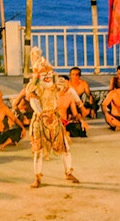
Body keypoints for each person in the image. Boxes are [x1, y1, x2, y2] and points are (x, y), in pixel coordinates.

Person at [23, 48, 80, 188]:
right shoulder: (34, 88)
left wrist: (78, 101)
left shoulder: (55, 84)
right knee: (38, 151)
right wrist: (43, 114)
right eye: (44, 74)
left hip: (55, 119)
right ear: (38, 76)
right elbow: (33, 102)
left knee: (65, 147)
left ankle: (68, 171)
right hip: (40, 122)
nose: (47, 76)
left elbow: (70, 89)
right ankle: (37, 177)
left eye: (49, 73)